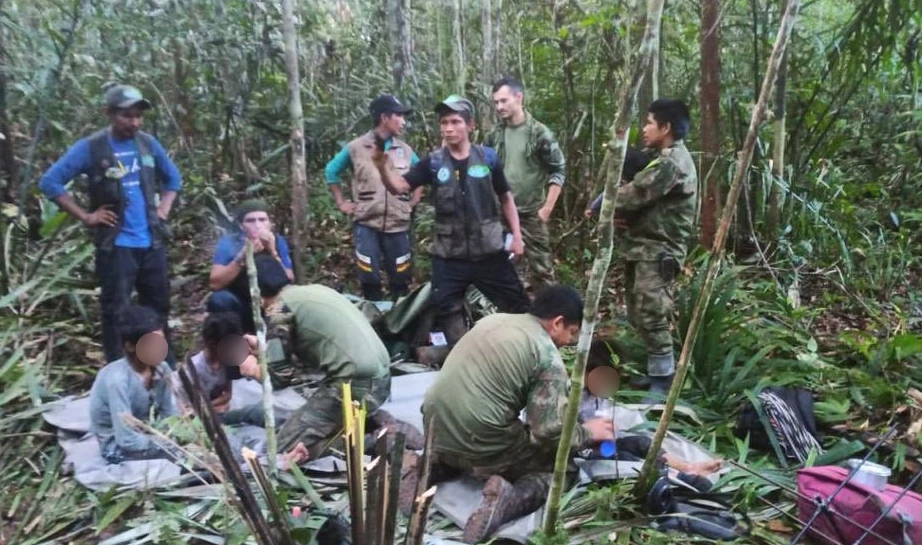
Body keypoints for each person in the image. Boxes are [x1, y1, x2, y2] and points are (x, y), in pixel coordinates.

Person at [401, 285, 616, 544]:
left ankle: (424, 470)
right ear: (557, 322)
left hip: (435, 424)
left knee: (465, 439)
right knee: (562, 472)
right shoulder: (546, 355)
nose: (570, 341)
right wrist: (588, 431)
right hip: (480, 437)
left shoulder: (493, 320)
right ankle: (507, 501)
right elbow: (547, 433)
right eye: (571, 332)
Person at [372, 95, 531, 360]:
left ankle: (525, 352)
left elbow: (506, 198)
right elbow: (399, 187)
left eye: (455, 122)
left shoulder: (488, 158)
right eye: (444, 122)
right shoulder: (432, 163)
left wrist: (517, 236)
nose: (448, 128)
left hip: (489, 251)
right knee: (445, 304)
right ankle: (464, 355)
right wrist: (382, 166)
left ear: (470, 126)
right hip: (450, 254)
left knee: (517, 303)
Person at [39, 84, 182, 365]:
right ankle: (120, 368)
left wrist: (163, 210)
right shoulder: (91, 148)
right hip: (117, 246)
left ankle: (164, 365)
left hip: (151, 242)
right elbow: (50, 182)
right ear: (109, 113)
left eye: (138, 116)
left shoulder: (147, 144)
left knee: (158, 306)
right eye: (127, 116)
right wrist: (87, 216)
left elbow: (173, 179)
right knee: (116, 310)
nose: (134, 122)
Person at [236, 257, 392, 459]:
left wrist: (253, 369)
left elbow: (279, 378)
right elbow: (313, 349)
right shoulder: (314, 291)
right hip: (381, 379)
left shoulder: (278, 310)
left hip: (354, 386)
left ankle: (372, 442)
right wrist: (266, 349)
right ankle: (366, 427)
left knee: (279, 450)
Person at [615, 99, 698, 404]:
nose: (645, 128)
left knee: (653, 312)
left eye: (650, 123)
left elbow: (635, 194)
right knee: (638, 311)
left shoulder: (672, 163)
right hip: (644, 246)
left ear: (666, 128)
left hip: (660, 249)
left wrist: (603, 203)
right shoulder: (659, 157)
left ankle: (663, 382)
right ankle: (655, 371)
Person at [324, 95, 423, 301]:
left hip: (398, 224)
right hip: (366, 223)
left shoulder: (405, 150)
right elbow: (331, 172)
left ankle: (400, 321)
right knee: (369, 276)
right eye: (399, 116)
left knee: (401, 276)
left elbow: (420, 175)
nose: (403, 121)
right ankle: (372, 318)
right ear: (385, 117)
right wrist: (342, 202)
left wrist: (413, 201)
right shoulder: (356, 147)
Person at [579, 339, 723, 479]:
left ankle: (687, 468)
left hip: (603, 445)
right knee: (625, 459)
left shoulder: (597, 395)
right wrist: (589, 432)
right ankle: (677, 477)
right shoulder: (572, 397)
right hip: (582, 450)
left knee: (642, 443)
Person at [486, 77, 566, 293]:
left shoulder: (540, 133)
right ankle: (512, 317)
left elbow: (558, 170)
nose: (499, 107)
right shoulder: (494, 135)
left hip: (532, 213)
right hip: (501, 214)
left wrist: (546, 209)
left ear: (519, 97)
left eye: (503, 101)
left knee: (542, 271)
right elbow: (485, 170)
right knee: (505, 269)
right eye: (496, 103)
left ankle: (551, 319)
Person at [89, 304, 178, 464]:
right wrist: (166, 444)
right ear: (130, 346)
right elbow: (126, 439)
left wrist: (174, 434)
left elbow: (170, 414)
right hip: (118, 447)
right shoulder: (117, 381)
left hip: (152, 434)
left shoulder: (162, 368)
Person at [207, 199, 294, 332]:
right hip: (242, 303)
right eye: (250, 221)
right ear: (241, 226)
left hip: (273, 303)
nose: (257, 225)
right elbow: (215, 283)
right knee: (220, 300)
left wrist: (273, 252)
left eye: (262, 219)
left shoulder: (278, 241)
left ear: (270, 223)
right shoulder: (229, 243)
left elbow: (290, 279)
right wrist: (242, 258)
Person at [173, 312, 265, 427]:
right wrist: (212, 409)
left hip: (217, 412)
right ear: (212, 344)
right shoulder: (194, 370)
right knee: (250, 414)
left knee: (259, 411)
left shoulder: (226, 361)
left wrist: (210, 407)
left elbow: (228, 395)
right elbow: (188, 412)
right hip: (201, 423)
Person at [583, 148, 654, 217]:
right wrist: (593, 209)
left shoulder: (637, 188)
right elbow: (607, 194)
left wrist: (593, 209)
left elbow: (609, 195)